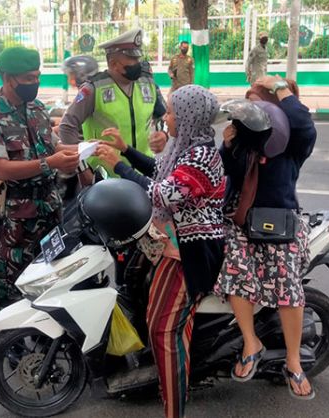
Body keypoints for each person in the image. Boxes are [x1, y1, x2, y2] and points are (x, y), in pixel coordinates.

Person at [96, 85, 226, 417]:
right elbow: (159, 171)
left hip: (189, 252)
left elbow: (163, 194)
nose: (165, 116)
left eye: (169, 111)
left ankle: (174, 410)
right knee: (145, 306)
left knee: (163, 330)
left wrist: (121, 168)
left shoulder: (203, 156)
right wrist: (126, 150)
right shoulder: (183, 148)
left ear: (186, 117)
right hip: (167, 242)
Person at [214, 75, 317, 400]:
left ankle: (293, 360)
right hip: (238, 219)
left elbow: (305, 125)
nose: (251, 107)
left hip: (279, 222)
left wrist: (280, 88)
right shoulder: (246, 136)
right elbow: (226, 169)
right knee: (232, 270)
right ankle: (250, 340)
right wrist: (228, 144)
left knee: (286, 285)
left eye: (258, 101)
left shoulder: (292, 145)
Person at [0, 46, 80, 311]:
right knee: (14, 279)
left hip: (49, 205)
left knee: (49, 273)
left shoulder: (37, 108)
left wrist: (82, 150)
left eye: (37, 76)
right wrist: (49, 163)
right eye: (28, 78)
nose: (35, 83)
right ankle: (12, 342)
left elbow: (54, 145)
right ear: (8, 77)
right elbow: (1, 168)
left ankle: (44, 334)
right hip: (15, 213)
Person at [58, 28, 168, 164]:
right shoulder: (93, 89)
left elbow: (164, 116)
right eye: (132, 59)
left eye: (138, 58)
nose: (137, 64)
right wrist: (82, 165)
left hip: (144, 171)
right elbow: (67, 126)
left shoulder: (148, 84)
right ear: (113, 64)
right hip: (106, 178)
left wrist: (163, 134)